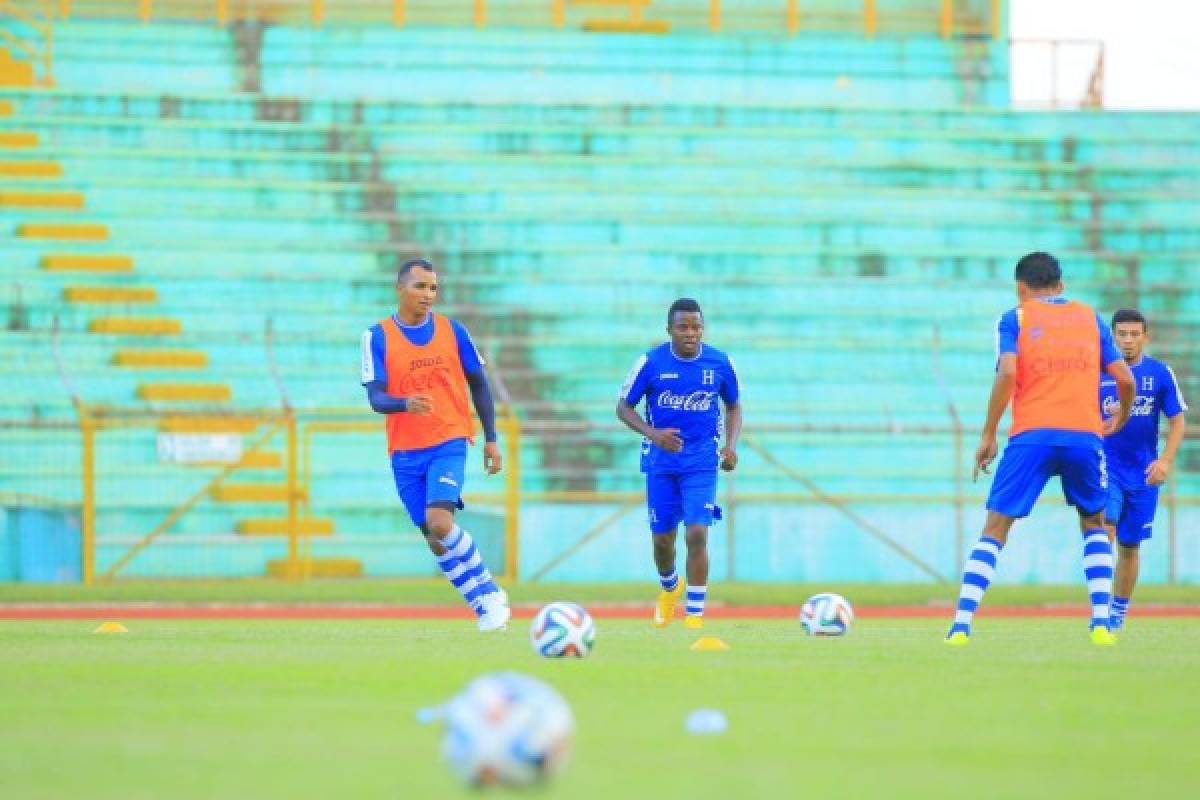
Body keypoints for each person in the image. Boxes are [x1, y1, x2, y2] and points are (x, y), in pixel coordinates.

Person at [946, 252, 1134, 647]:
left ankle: (961, 625)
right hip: (1084, 436)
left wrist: (988, 433)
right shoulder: (1090, 317)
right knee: (1094, 523)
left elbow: (1009, 371)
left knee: (996, 527)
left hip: (1031, 435)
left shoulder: (1015, 318)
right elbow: (1124, 379)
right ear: (1061, 287)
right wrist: (1121, 416)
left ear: (1020, 288)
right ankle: (1101, 623)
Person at [360, 259, 511, 631]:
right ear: (400, 289)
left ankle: (490, 595)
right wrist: (403, 403)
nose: (428, 295)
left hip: (448, 439)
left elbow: (479, 383)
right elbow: (376, 398)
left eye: (433, 288)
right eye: (420, 287)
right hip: (405, 452)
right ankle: (481, 606)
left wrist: (491, 438)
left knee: (440, 522)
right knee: (433, 539)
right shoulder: (376, 337)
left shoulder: (452, 331)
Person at [616, 298, 742, 630]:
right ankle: (670, 589)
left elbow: (733, 406)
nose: (691, 333)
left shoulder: (719, 363)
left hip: (701, 462)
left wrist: (730, 447)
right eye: (683, 327)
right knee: (662, 540)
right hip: (660, 463)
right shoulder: (650, 362)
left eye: (696, 327)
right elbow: (624, 408)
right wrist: (653, 433)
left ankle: (695, 616)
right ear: (669, 329)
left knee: (698, 533)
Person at [1094, 308, 1187, 631]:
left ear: (1145, 337)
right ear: (1112, 336)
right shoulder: (1097, 373)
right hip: (1107, 468)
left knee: (1130, 547)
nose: (1128, 340)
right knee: (1103, 530)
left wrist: (1165, 461)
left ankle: (1117, 613)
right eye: (1122, 334)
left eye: (1134, 334)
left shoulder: (1160, 374)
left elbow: (1178, 420)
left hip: (1144, 474)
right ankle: (1099, 609)